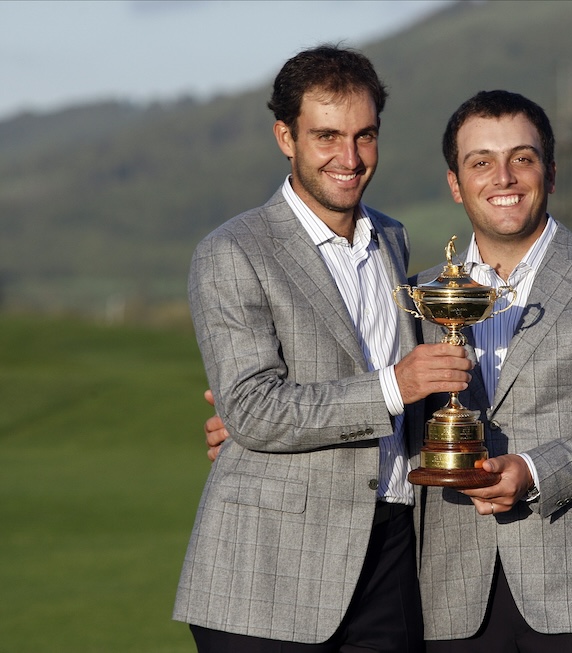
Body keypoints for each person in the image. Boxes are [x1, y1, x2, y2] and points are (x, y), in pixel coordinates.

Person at [207, 89, 572, 652]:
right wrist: (250, 424)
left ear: (550, 173)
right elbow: (390, 394)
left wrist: (533, 469)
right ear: (455, 183)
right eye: (481, 163)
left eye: (521, 158)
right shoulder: (422, 292)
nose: (503, 177)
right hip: (450, 592)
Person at [173, 44, 472, 653]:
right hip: (267, 575)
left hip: (391, 552)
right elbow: (255, 409)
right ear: (285, 136)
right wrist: (396, 385)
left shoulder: (391, 236)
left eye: (365, 136)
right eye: (327, 136)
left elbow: (273, 404)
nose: (350, 157)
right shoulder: (232, 252)